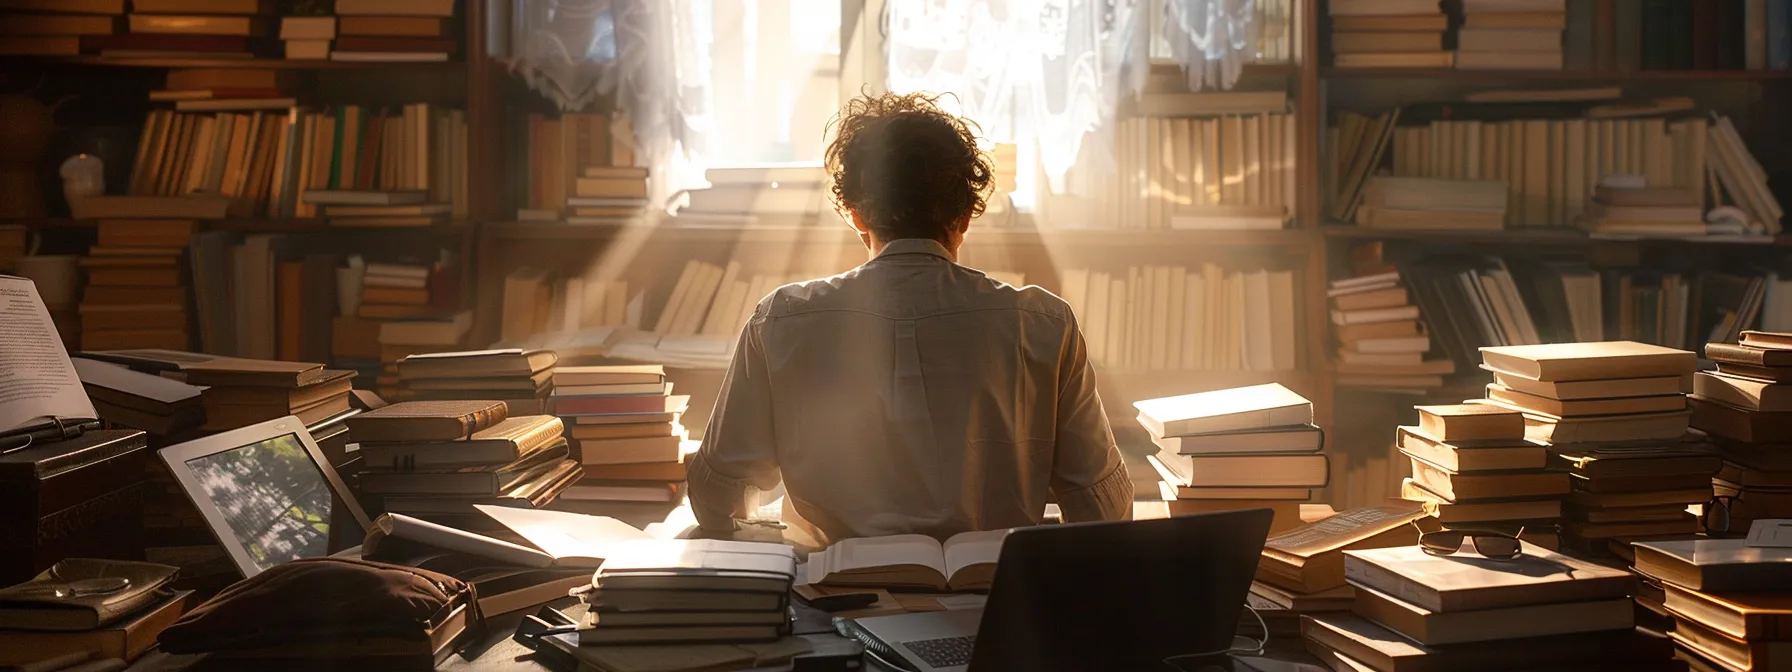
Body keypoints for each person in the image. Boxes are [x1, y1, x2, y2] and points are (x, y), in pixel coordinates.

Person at [687, 92, 1131, 547]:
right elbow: (1102, 509)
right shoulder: (1043, 322)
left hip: (833, 596)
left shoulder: (781, 320)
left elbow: (715, 499)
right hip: (992, 596)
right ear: (965, 215)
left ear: (856, 214)